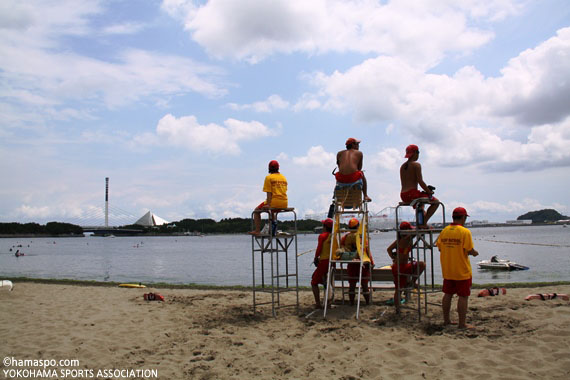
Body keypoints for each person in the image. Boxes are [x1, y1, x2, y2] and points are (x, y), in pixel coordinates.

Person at [435, 207, 479, 329]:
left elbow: (439, 247)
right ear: (464, 217)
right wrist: (474, 253)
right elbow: (469, 249)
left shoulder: (444, 231)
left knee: (448, 294)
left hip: (448, 270)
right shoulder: (465, 232)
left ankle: (446, 320)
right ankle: (462, 324)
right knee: (463, 296)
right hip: (462, 271)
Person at [386, 221, 426, 306]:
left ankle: (412, 282)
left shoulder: (401, 240)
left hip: (401, 266)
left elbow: (389, 249)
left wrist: (393, 257)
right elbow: (414, 233)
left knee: (398, 290)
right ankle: (412, 282)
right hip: (400, 267)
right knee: (422, 265)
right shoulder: (405, 239)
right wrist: (422, 226)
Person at [400, 144, 438, 227]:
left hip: (403, 195)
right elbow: (420, 181)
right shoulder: (416, 165)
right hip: (412, 193)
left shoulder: (402, 166)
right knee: (436, 202)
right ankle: (423, 223)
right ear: (415, 153)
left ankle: (421, 221)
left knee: (421, 204)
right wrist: (429, 192)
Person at [249, 160, 288, 235]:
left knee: (256, 211)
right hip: (284, 202)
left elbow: (269, 193)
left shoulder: (269, 178)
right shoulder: (283, 178)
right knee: (272, 212)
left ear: (269, 168)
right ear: (278, 168)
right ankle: (273, 229)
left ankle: (257, 231)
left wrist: (269, 204)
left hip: (274, 201)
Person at [341, 218, 374, 305]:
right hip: (362, 263)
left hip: (351, 263)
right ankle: (367, 302)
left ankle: (351, 303)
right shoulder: (361, 236)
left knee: (352, 285)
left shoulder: (345, 237)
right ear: (358, 226)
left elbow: (342, 248)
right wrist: (372, 262)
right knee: (365, 285)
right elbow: (367, 250)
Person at [336, 138, 371, 202]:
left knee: (338, 173)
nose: (358, 146)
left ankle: (336, 194)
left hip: (341, 179)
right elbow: (359, 168)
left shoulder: (339, 153)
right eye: (357, 144)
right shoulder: (359, 153)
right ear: (353, 145)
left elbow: (339, 167)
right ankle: (365, 195)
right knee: (362, 173)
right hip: (353, 179)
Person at [311, 218, 334, 309]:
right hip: (332, 262)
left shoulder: (322, 236)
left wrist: (316, 257)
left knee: (314, 282)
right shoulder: (334, 236)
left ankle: (318, 303)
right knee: (326, 281)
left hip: (324, 261)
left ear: (325, 227)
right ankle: (328, 302)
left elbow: (319, 248)